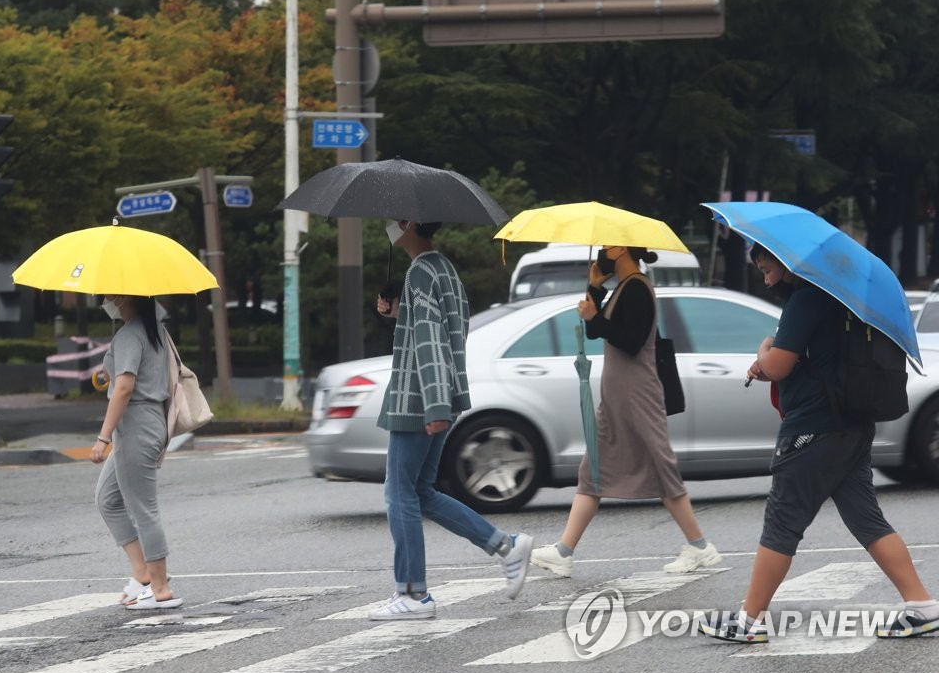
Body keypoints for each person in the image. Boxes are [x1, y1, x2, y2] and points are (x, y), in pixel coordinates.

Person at [700, 244, 938, 642]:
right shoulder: (841, 299)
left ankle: (749, 620)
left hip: (814, 427)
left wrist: (763, 352)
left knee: (782, 519)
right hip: (853, 425)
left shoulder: (805, 299)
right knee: (866, 519)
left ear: (784, 258)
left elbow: (776, 365)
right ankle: (921, 604)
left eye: (765, 265)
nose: (764, 274)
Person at [370, 218, 533, 621]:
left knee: (399, 494)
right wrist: (398, 313)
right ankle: (505, 547)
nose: (389, 226)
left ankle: (413, 593)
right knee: (421, 491)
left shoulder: (421, 272)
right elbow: (437, 330)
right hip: (435, 394)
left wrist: (435, 406)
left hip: (417, 398)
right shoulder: (440, 268)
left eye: (394, 221)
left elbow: (429, 341)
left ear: (409, 223)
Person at [531, 245, 721, 578]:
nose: (603, 250)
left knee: (662, 467)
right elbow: (595, 330)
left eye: (607, 245)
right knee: (593, 470)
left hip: (637, 394)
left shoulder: (637, 288)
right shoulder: (623, 287)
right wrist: (594, 287)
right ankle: (563, 551)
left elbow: (630, 340)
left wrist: (595, 318)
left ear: (620, 248)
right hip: (618, 396)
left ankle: (700, 546)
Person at [92, 294, 183, 610]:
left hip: (136, 427)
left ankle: (160, 589)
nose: (105, 301)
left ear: (123, 297)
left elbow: (125, 388)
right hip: (147, 423)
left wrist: (103, 438)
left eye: (108, 295)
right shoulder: (153, 330)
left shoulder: (131, 334)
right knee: (108, 499)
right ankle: (142, 573)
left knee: (144, 509)